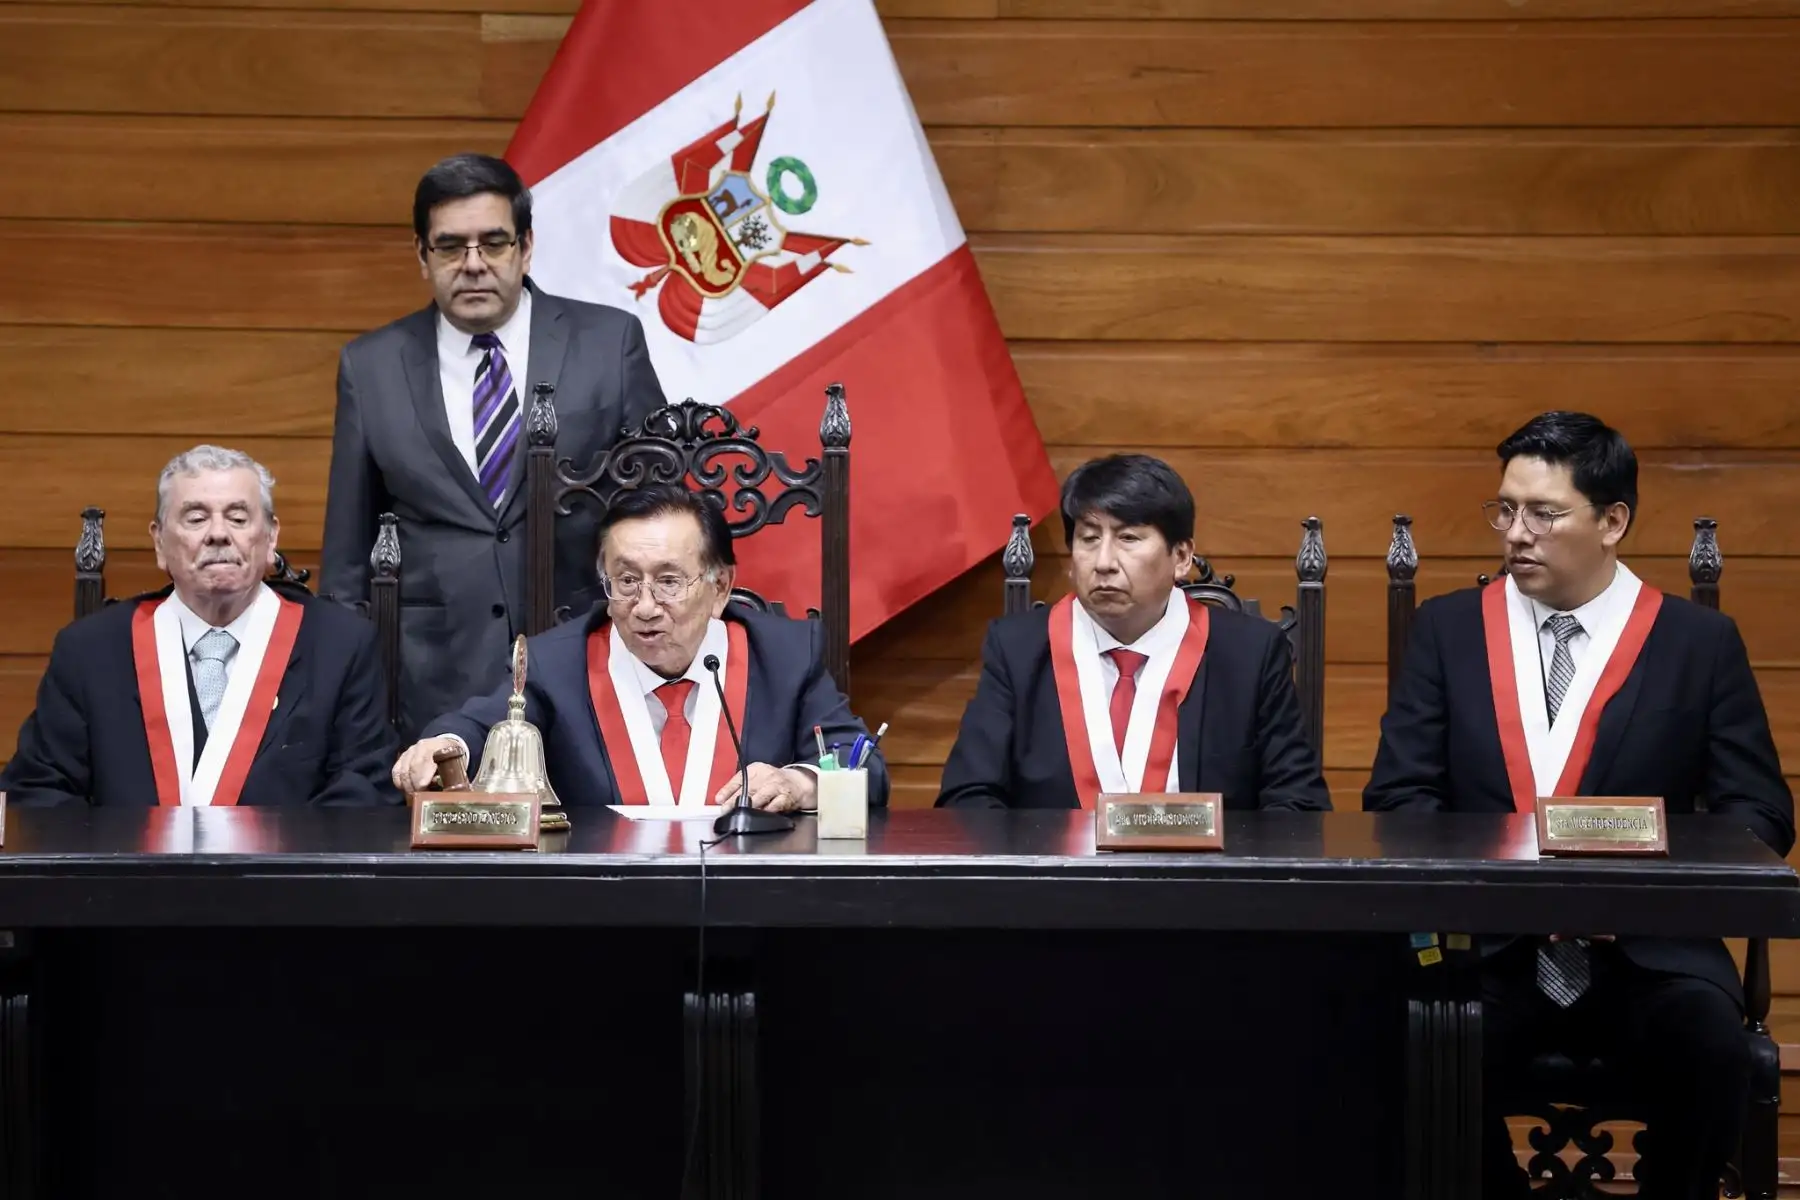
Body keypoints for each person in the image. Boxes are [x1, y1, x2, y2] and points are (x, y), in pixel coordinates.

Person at [1364, 411, 1794, 1200]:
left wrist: (1640, 889)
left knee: (1712, 1048)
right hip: (1490, 947)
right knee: (1407, 1036)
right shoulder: (1450, 631)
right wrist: (1504, 884)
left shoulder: (1698, 643)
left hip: (1649, 951)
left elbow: (1759, 813)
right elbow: (1399, 797)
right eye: (1506, 510)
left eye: (1543, 513)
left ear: (1613, 522)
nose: (1516, 533)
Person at [321, 153, 667, 742]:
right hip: (430, 678)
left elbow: (661, 508)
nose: (473, 265)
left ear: (526, 247)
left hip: (589, 663)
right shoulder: (371, 366)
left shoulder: (609, 343)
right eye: (451, 246)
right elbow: (350, 551)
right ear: (422, 256)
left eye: (494, 243)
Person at [394, 484, 887, 811]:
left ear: (719, 588)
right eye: (626, 580)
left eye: (669, 581)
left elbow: (863, 766)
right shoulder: (560, 662)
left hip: (752, 915)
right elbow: (483, 723)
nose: (645, 606)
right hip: (600, 917)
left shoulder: (784, 655)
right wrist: (445, 748)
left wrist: (799, 785)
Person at [2, 446, 400, 807]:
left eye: (238, 517)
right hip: (127, 884)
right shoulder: (90, 651)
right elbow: (38, 793)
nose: (218, 534)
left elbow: (363, 793)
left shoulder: (340, 646)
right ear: (159, 543)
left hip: (283, 885)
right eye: (196, 518)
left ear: (271, 536)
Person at [936, 453, 1329, 811]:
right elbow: (968, 798)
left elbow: (1298, 804)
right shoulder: (1018, 650)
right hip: (1060, 882)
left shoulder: (1251, 654)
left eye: (1128, 538)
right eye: (1089, 539)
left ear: (1180, 557)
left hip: (1205, 882)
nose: (1104, 562)